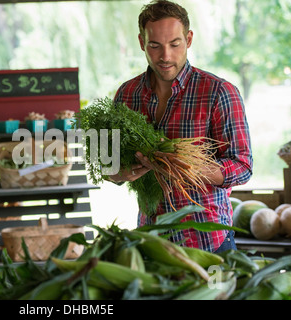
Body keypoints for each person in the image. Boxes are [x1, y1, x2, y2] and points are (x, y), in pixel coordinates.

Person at [108, 0, 253, 253]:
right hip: (151, 240)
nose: (166, 56)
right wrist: (120, 173)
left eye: (175, 44)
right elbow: (105, 163)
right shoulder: (126, 94)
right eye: (154, 46)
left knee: (216, 293)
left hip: (209, 241)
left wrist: (183, 165)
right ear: (142, 42)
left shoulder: (219, 92)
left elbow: (243, 166)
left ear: (188, 39)